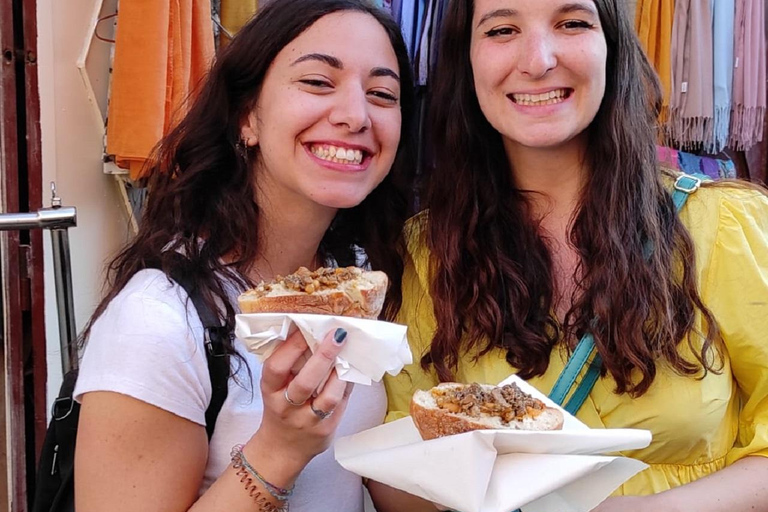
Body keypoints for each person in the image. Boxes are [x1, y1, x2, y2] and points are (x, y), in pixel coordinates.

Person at [371, 0, 768, 511]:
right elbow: (401, 475)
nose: (537, 60)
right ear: (466, 60)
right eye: (501, 29)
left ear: (614, 49)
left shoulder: (726, 226)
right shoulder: (426, 256)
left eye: (572, 23)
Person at [73, 1, 414, 511]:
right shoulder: (158, 321)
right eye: (319, 82)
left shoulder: (366, 283)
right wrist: (278, 452)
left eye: (382, 93)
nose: (355, 115)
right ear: (246, 116)